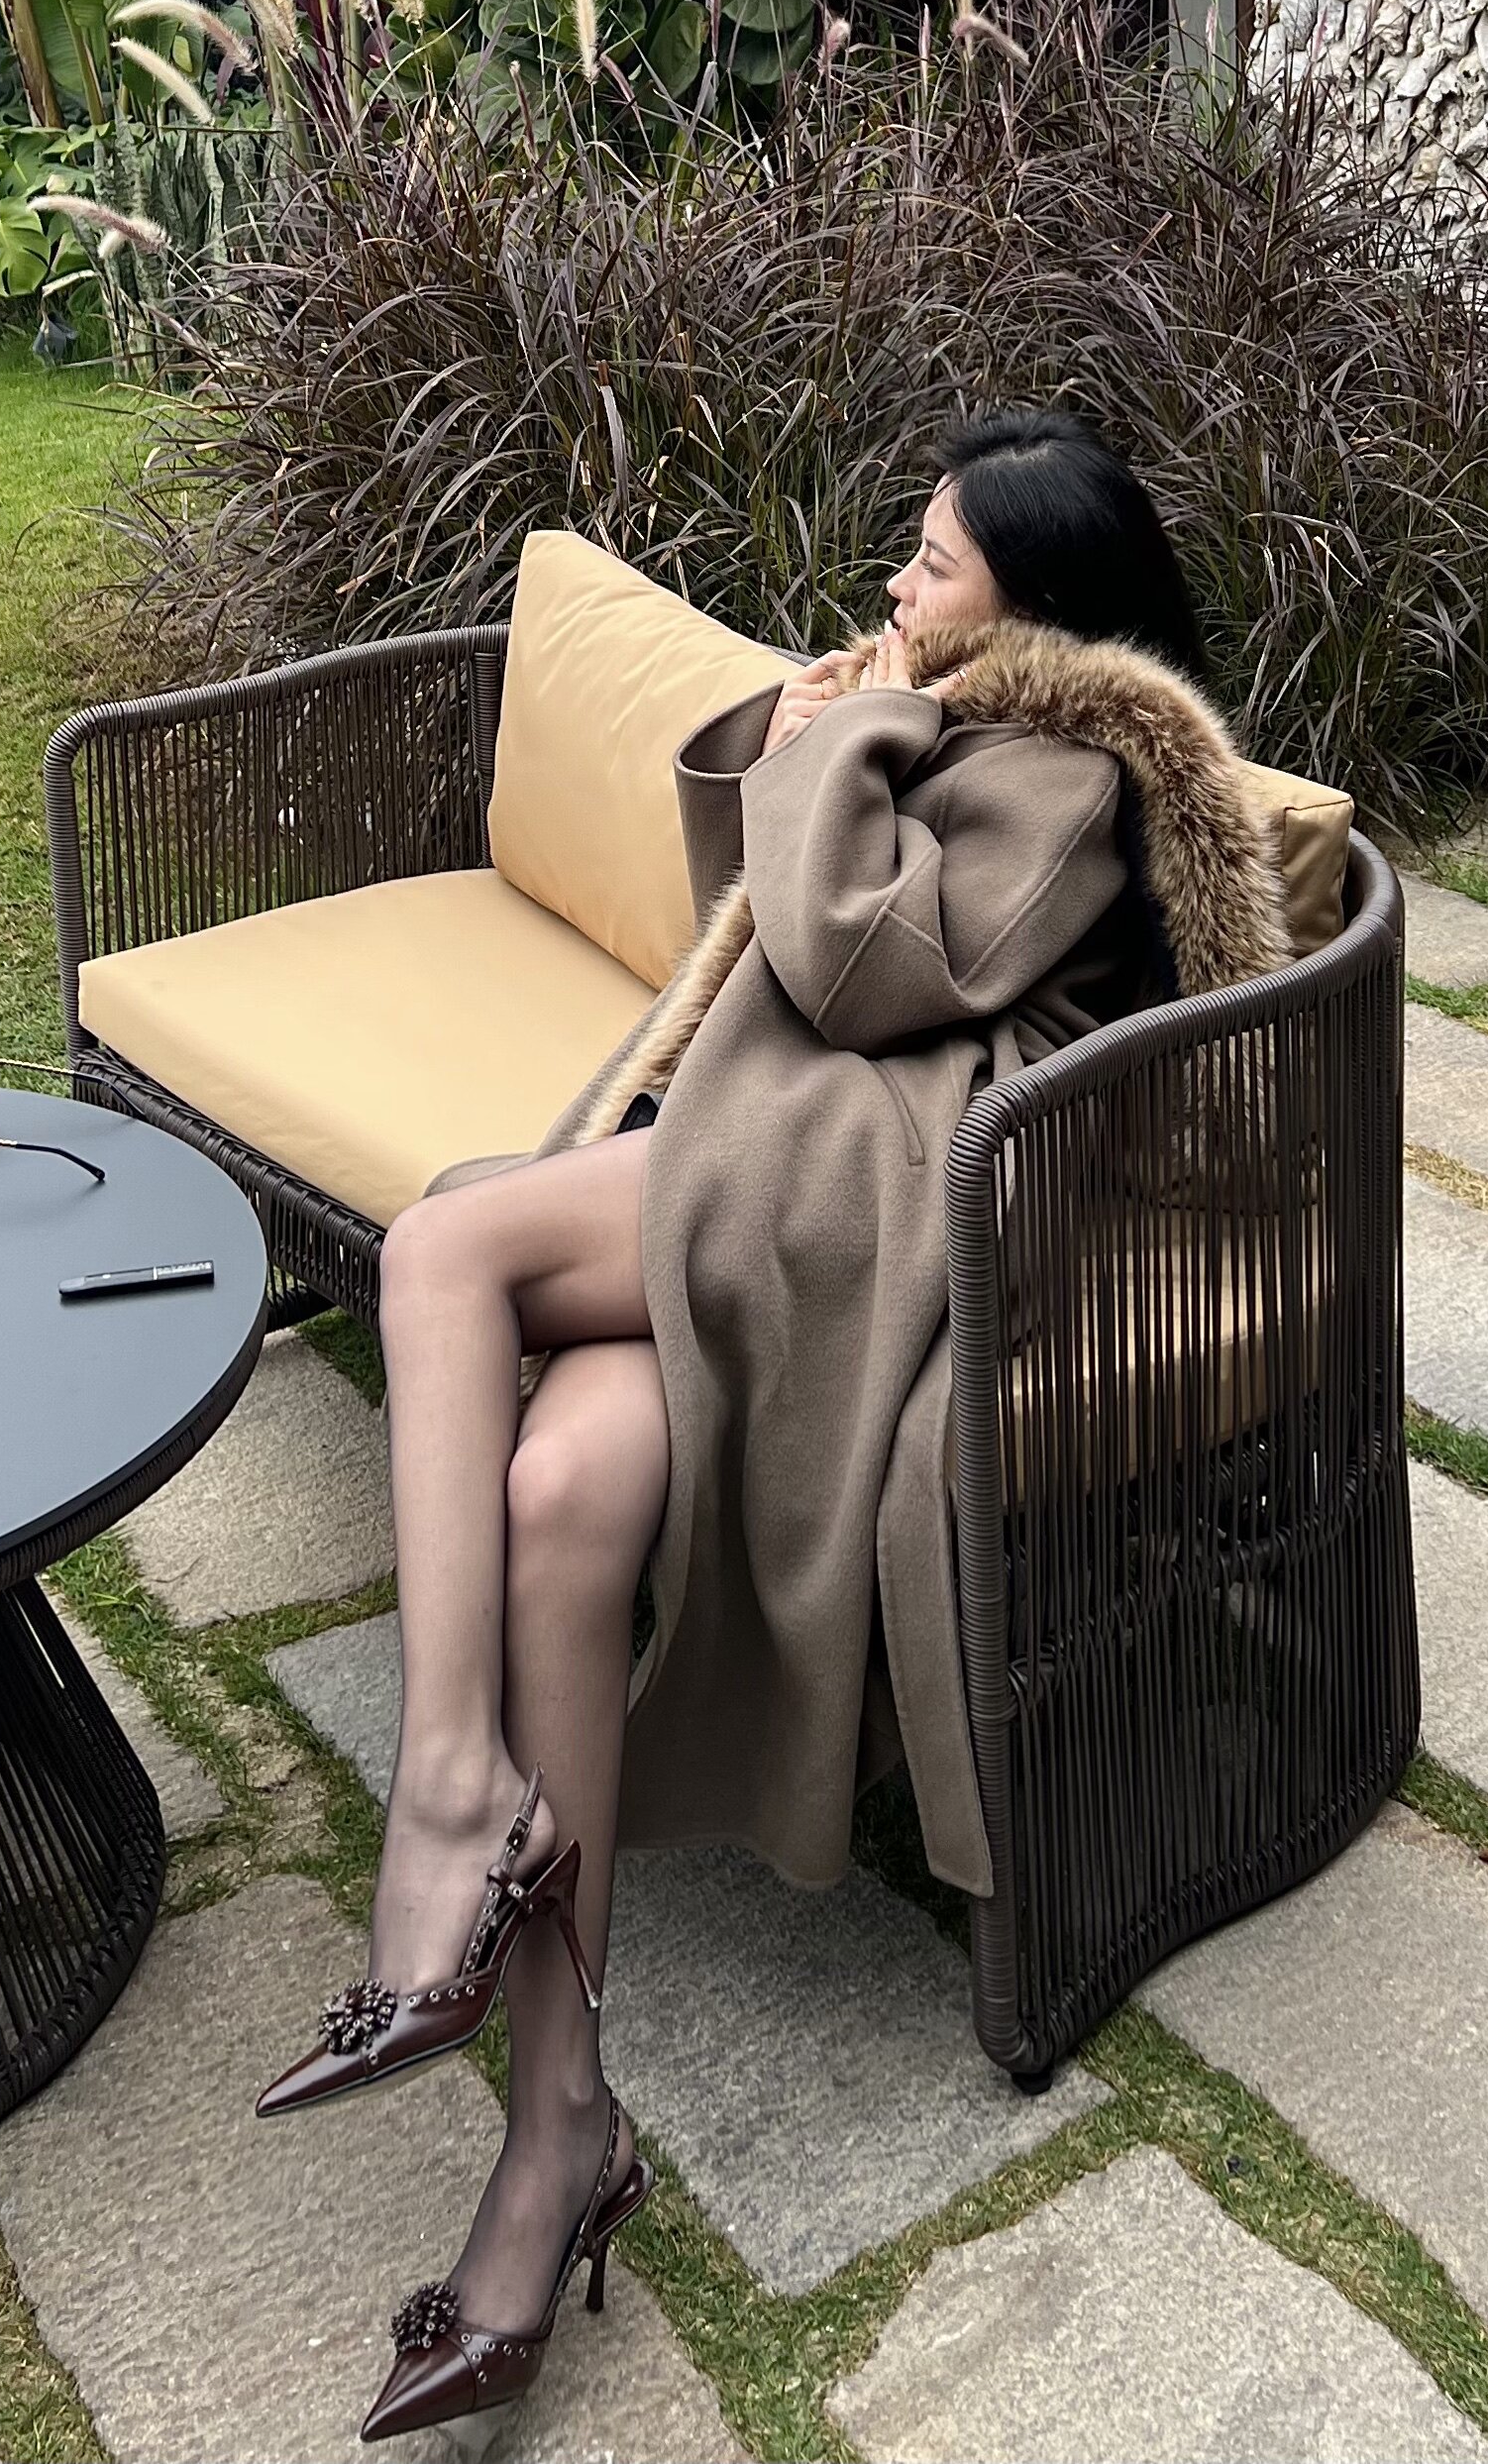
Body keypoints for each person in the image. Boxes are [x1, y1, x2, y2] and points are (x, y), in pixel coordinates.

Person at [252, 409, 1295, 2446]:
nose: (896, 584)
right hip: (753, 1132)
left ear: (1031, 605)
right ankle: (557, 2132)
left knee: (447, 1250)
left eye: (933, 561)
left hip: (855, 1181)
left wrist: (847, 732)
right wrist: (816, 728)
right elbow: (753, 911)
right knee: (564, 1488)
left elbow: (858, 965)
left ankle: (452, 1796)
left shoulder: (1077, 765)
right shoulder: (949, 711)